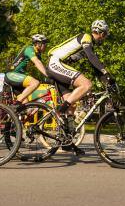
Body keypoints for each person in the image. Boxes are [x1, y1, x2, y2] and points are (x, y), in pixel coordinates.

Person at [45, 19, 114, 155]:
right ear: (100, 32)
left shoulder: (89, 45)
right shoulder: (86, 37)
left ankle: (67, 142)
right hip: (55, 63)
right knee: (86, 84)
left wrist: (108, 80)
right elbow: (91, 57)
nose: (104, 38)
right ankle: (59, 110)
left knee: (72, 105)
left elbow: (94, 67)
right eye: (104, 35)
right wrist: (106, 72)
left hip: (57, 67)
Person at [5, 34, 50, 109]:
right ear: (38, 44)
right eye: (44, 43)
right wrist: (48, 75)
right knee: (35, 83)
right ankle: (15, 105)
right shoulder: (29, 49)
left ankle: (14, 117)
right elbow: (37, 62)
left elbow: (42, 68)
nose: (46, 46)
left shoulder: (38, 54)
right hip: (11, 75)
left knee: (26, 105)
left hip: (18, 80)